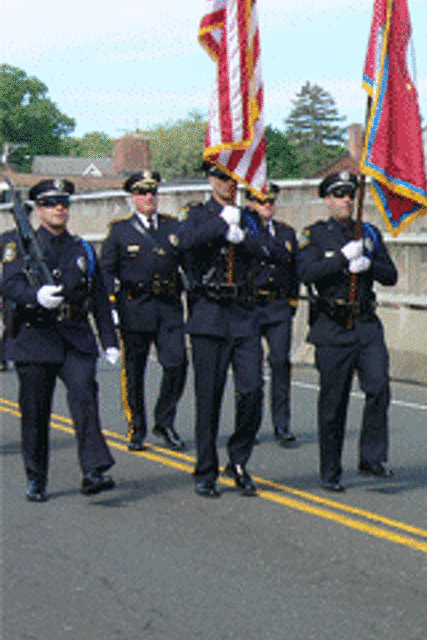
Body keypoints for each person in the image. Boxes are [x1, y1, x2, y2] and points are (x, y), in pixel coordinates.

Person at [1, 179, 120, 500]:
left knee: (84, 396)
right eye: (52, 204)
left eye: (64, 204)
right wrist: (34, 295)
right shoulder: (17, 243)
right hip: (35, 337)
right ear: (39, 209)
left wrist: (109, 340)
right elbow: (8, 284)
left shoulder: (81, 248)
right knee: (35, 412)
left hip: (74, 337)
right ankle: (36, 477)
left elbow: (98, 297)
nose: (59, 210)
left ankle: (93, 469)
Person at [178, 161, 279, 498]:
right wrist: (219, 227)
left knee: (252, 390)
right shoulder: (196, 214)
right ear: (211, 179)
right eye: (222, 177)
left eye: (233, 177)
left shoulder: (249, 217)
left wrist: (244, 238)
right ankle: (205, 469)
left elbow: (273, 251)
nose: (228, 183)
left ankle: (238, 460)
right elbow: (184, 243)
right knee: (209, 397)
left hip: (244, 313)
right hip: (209, 313)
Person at [297, 171, 398, 490]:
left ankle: (371, 457)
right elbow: (306, 271)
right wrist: (341, 259)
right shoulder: (315, 234)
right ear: (327, 200)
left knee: (379, 386)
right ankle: (330, 469)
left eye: (350, 195)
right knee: (333, 402)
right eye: (339, 195)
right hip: (333, 325)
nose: (346, 201)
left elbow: (391, 275)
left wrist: (369, 262)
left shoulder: (368, 232)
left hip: (366, 324)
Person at [100, 170, 188, 452]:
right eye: (142, 193)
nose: (149, 198)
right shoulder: (119, 231)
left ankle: (164, 421)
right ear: (133, 198)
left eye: (152, 193)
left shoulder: (173, 227)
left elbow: (188, 262)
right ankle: (136, 427)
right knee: (134, 371)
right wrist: (111, 306)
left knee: (177, 364)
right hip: (134, 307)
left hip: (169, 308)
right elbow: (105, 272)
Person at [245, 183, 300, 446]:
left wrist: (291, 303)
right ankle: (250, 425)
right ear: (250, 203)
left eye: (271, 201)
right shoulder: (245, 230)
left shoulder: (286, 232)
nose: (268, 204)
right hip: (252, 306)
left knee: (280, 364)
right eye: (262, 201)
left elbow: (294, 271)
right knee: (251, 371)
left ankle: (282, 424)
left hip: (278, 307)